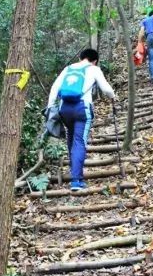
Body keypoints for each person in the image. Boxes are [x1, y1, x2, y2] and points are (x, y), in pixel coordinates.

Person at [47, 49, 116, 191]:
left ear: (81, 57)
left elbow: (55, 88)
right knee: (79, 142)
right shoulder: (94, 69)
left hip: (64, 108)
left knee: (71, 139)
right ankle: (76, 181)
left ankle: (75, 174)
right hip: (81, 109)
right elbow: (107, 90)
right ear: (95, 60)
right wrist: (113, 97)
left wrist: (50, 107)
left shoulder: (68, 68)